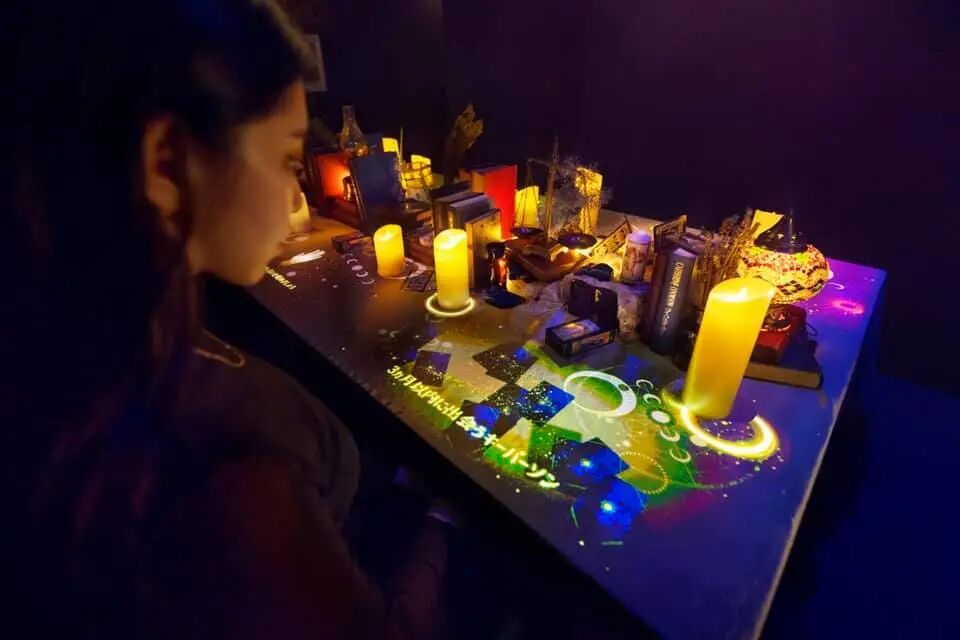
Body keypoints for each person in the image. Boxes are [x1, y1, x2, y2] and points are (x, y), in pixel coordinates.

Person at [0, 1, 448, 638]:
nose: (295, 196)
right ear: (166, 162)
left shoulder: (97, 337)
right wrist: (443, 528)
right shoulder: (234, 478)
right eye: (288, 160)